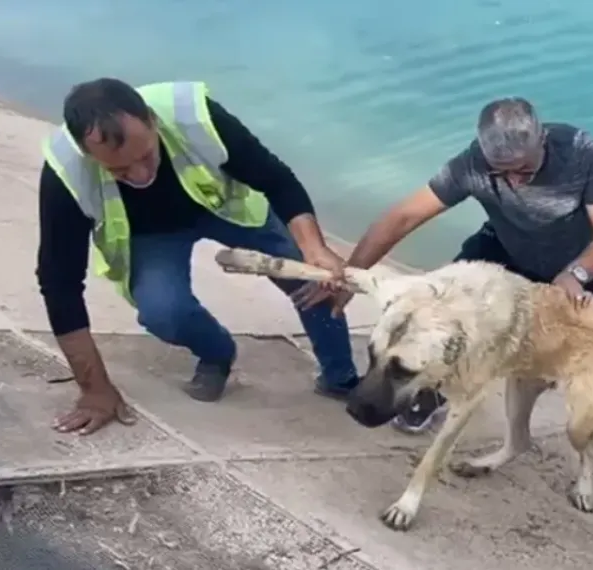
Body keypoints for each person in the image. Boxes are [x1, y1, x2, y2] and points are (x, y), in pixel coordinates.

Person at [37, 78, 358, 436]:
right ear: (88, 155)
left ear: (153, 120)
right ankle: (216, 352)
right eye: (119, 170)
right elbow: (59, 283)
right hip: (150, 234)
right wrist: (94, 390)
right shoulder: (66, 171)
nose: (141, 175)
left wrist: (315, 250)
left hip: (223, 205)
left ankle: (341, 377)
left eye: (145, 155)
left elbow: (277, 180)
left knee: (315, 278)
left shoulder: (192, 114)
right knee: (163, 311)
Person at [322, 97, 593, 457]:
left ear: (542, 139)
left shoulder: (583, 153)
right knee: (442, 313)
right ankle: (432, 390)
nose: (513, 181)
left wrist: (576, 273)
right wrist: (351, 278)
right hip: (504, 247)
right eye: (500, 173)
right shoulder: (473, 164)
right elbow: (403, 217)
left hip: (574, 260)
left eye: (523, 171)